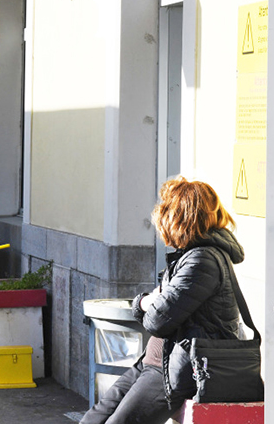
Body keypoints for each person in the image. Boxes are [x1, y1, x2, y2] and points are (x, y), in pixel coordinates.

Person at [80, 178, 247, 424]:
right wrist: (149, 301)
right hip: (156, 362)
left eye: (166, 212)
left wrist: (145, 302)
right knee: (93, 419)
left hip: (176, 371)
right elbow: (160, 306)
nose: (160, 223)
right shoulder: (191, 256)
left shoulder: (202, 261)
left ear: (180, 218)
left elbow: (157, 320)